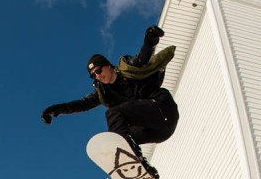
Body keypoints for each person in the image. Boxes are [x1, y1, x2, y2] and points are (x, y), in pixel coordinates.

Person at [41, 25, 179, 171]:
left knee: (113, 115)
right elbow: (81, 104)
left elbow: (142, 59)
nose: (98, 76)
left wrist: (150, 40)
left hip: (163, 109)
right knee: (118, 136)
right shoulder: (104, 93)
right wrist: (55, 110)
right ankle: (144, 169)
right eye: (94, 75)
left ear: (108, 66)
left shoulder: (127, 70)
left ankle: (128, 155)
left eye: (99, 70)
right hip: (160, 131)